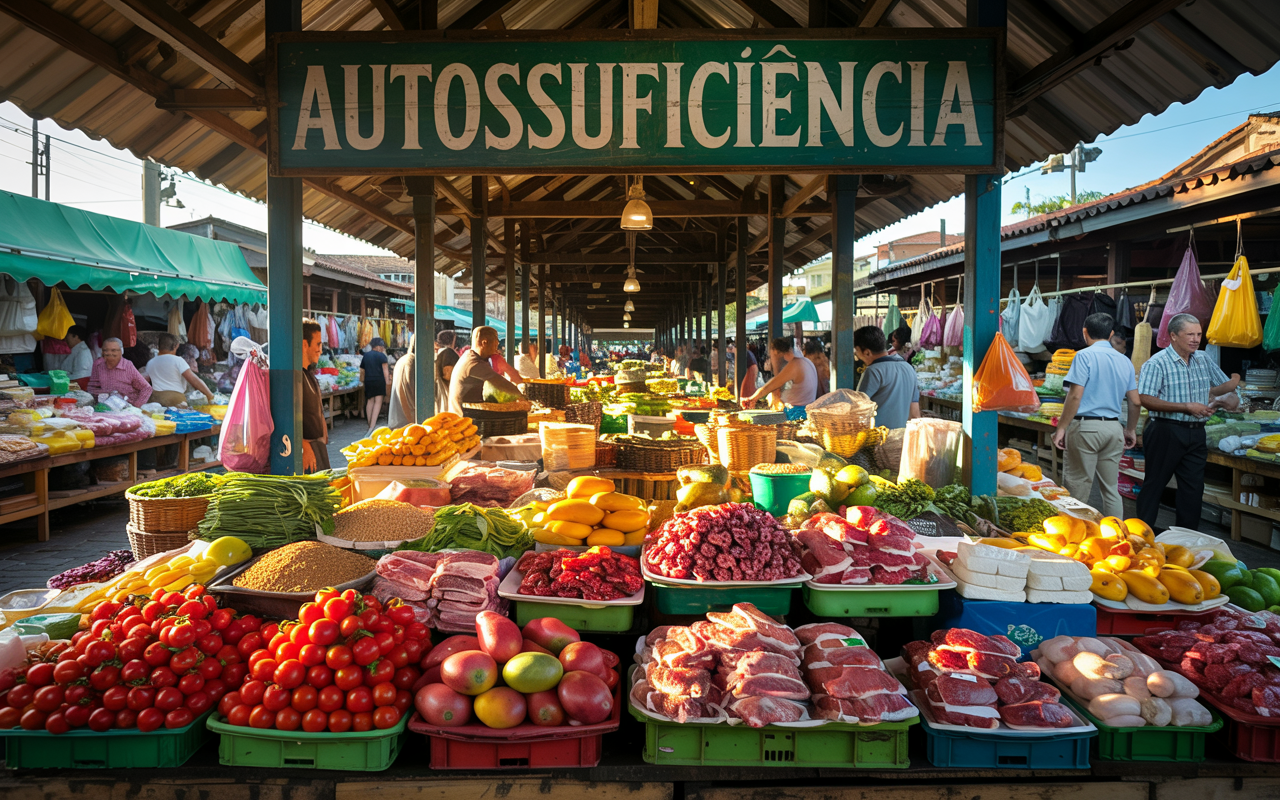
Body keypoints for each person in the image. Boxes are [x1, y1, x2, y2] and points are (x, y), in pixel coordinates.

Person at [1136, 313, 1241, 529]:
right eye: (1189, 334)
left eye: (1199, 334)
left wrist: (1224, 398)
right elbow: (1145, 399)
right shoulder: (1157, 363)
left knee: (1193, 488)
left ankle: (1187, 540)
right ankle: (1142, 535)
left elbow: (1222, 387)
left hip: (1196, 432)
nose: (1195, 339)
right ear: (1173, 336)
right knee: (1155, 484)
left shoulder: (1203, 358)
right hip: (1165, 431)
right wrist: (1186, 406)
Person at [1050, 313, 1141, 519]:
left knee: (1078, 487)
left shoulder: (1083, 356)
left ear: (1085, 332)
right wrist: (1131, 429)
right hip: (1114, 428)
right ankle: (1116, 535)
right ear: (1110, 334)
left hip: (1086, 428)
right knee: (1111, 490)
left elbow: (1075, 396)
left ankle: (1075, 536)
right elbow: (1135, 401)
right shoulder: (1124, 361)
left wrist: (1062, 428)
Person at [853, 326, 920, 429]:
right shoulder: (909, 368)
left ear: (867, 352)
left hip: (878, 439)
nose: (856, 355)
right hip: (901, 437)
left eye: (856, 351)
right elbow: (915, 413)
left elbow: (858, 409)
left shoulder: (873, 371)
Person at [448, 326, 525, 416]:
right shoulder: (473, 363)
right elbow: (500, 382)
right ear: (484, 343)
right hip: (461, 418)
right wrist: (522, 397)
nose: (498, 344)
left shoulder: (473, 356)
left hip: (468, 413)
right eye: (496, 342)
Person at [743, 337, 820, 418]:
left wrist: (753, 399)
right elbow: (776, 380)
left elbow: (773, 384)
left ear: (777, 353)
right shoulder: (806, 361)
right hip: (803, 411)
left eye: (772, 357)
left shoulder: (794, 365)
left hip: (796, 414)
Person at [148, 332, 214, 407]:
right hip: (175, 399)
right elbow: (194, 380)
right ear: (175, 346)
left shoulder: (151, 362)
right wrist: (211, 396)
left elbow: (144, 382)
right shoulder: (177, 360)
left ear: (159, 347)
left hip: (155, 400)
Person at [300, 319, 330, 473]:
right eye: (318, 344)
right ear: (305, 345)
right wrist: (303, 446)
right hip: (308, 450)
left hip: (318, 446)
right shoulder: (296, 376)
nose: (320, 349)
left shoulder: (309, 374)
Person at [88, 337, 152, 406]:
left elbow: (146, 388)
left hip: (126, 407)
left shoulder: (127, 366)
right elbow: (92, 388)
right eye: (106, 350)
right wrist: (104, 394)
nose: (109, 353)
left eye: (114, 350)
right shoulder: (98, 365)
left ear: (121, 352)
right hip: (106, 407)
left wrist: (137, 406)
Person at [359, 337, 390, 435]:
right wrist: (388, 382)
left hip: (368, 380)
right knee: (378, 402)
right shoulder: (382, 356)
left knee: (370, 401)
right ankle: (372, 427)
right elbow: (385, 371)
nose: (382, 348)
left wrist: (362, 381)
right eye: (382, 346)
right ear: (379, 346)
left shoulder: (366, 356)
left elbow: (362, 371)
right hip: (379, 380)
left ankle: (370, 424)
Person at [389, 334, 416, 430]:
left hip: (398, 420)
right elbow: (412, 393)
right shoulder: (412, 361)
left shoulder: (403, 359)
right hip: (406, 423)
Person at [434, 330, 460, 414]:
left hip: (437, 403)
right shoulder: (449, 354)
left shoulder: (435, 355)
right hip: (447, 403)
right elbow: (448, 376)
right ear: (453, 341)